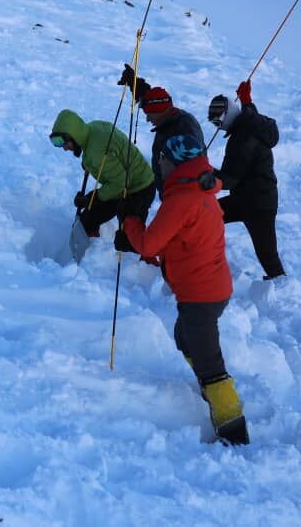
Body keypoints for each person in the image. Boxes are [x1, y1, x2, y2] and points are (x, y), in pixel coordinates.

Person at [119, 133, 249, 445]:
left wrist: (130, 222)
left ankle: (234, 433)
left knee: (211, 362)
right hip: (209, 288)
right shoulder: (200, 192)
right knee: (183, 337)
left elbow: (149, 242)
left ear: (174, 162)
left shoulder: (181, 200)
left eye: (163, 158)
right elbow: (176, 240)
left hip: (201, 294)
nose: (159, 163)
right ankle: (207, 384)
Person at [207, 80, 285, 280]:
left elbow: (229, 180)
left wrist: (203, 171)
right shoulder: (252, 123)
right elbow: (250, 113)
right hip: (249, 198)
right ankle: (202, 256)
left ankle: (282, 288)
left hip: (257, 205)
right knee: (207, 216)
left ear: (228, 116)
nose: (218, 128)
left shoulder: (242, 140)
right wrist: (246, 100)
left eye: (218, 122)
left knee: (267, 254)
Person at [49, 109, 156, 246]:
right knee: (89, 217)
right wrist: (88, 164)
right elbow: (106, 152)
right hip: (122, 183)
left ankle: (144, 262)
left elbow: (121, 183)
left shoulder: (96, 153)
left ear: (73, 136)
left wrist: (94, 197)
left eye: (64, 143)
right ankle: (91, 245)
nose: (64, 148)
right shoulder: (93, 128)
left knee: (129, 241)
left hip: (140, 188)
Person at [118, 64, 205, 196]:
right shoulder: (169, 116)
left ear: (160, 112)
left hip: (181, 195)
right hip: (169, 190)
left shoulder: (182, 130)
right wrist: (134, 82)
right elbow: (153, 98)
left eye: (149, 115)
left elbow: (193, 168)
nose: (147, 119)